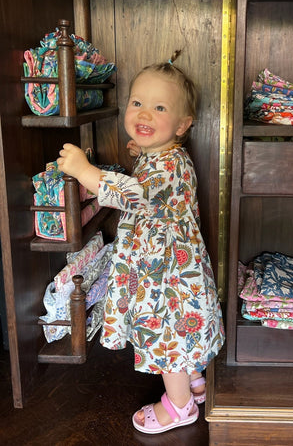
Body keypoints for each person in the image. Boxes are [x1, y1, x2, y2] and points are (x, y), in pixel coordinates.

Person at [57, 50, 225, 434]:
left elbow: (134, 193)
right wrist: (143, 149)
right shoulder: (162, 154)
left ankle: (180, 406)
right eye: (137, 103)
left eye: (159, 108)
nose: (144, 114)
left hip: (167, 281)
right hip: (170, 272)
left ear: (182, 124)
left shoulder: (170, 164)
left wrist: (85, 170)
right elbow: (149, 176)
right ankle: (194, 380)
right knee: (181, 332)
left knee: (167, 337)